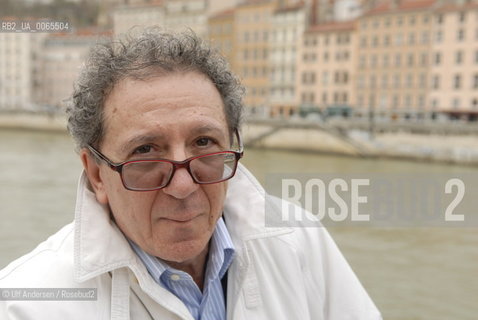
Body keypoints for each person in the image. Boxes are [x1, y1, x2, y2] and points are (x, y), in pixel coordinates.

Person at [0, 29, 381, 319]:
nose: (183, 186)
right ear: (97, 174)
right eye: (145, 151)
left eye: (204, 142)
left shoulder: (299, 239)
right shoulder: (26, 303)